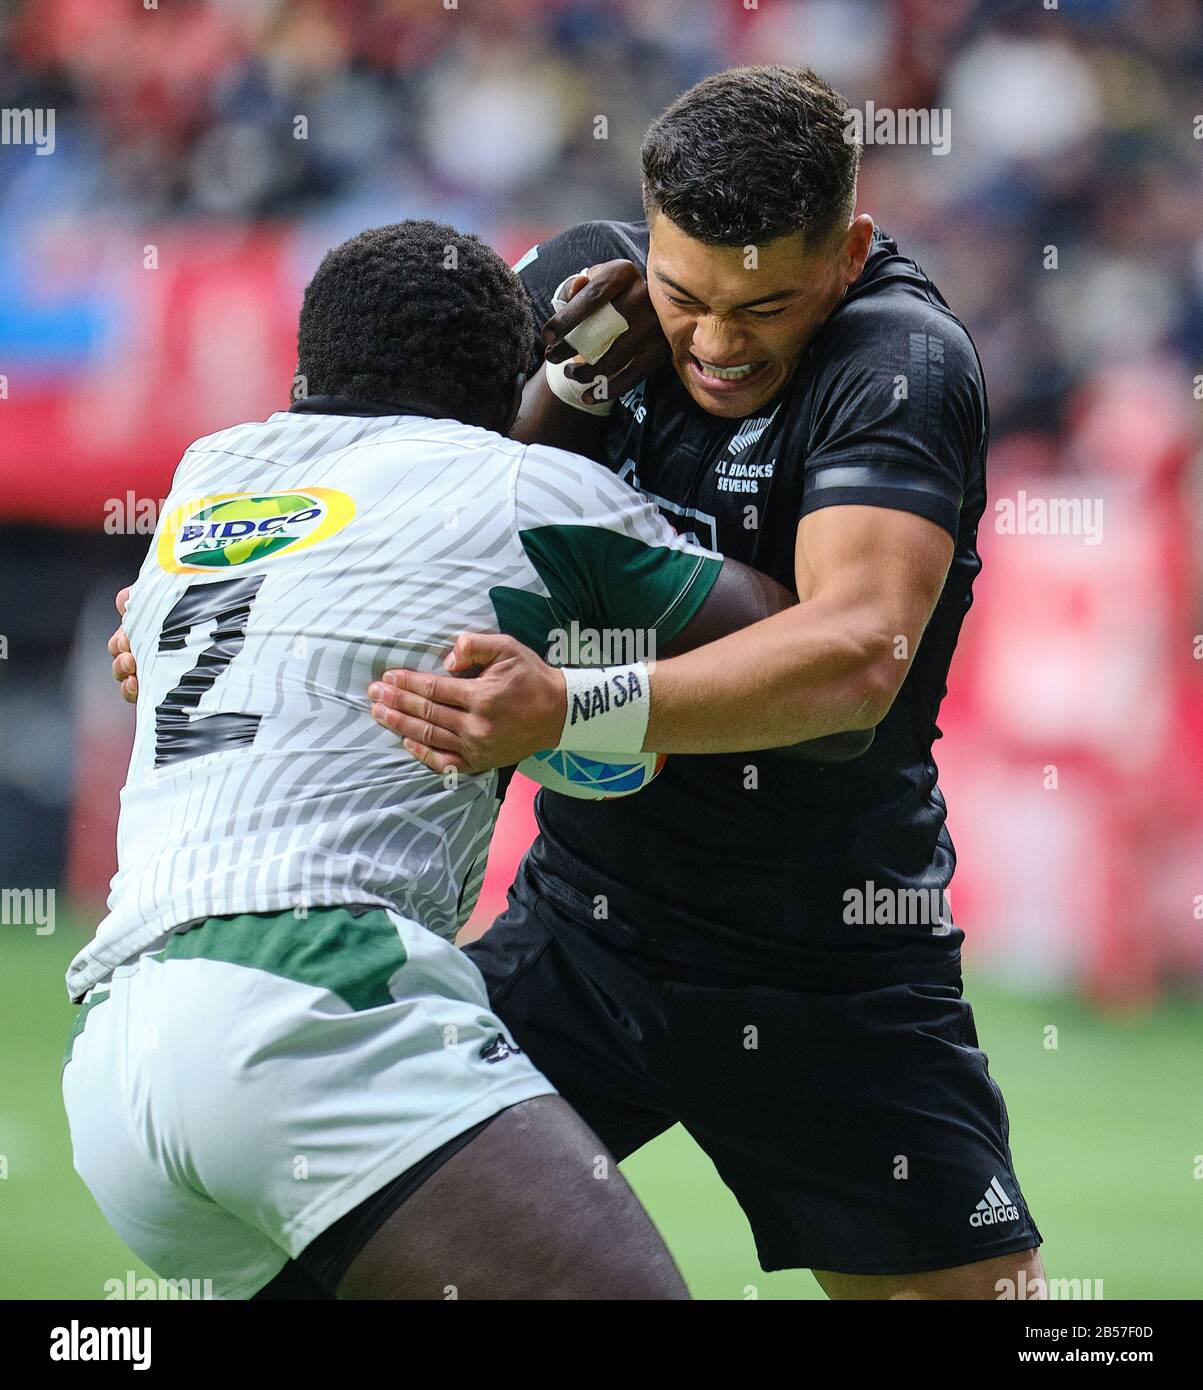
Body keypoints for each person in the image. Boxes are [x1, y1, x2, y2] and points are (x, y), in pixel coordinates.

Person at [365, 66, 1045, 1300]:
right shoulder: (585, 291)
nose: (721, 344)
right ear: (646, 230)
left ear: (850, 251)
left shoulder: (902, 360)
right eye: (687, 298)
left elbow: (853, 659)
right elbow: (391, 490)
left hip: (834, 961)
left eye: (769, 306)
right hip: (579, 932)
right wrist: (191, 600)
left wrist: (572, 707)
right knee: (340, 1259)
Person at [72, 218, 812, 1301]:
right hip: (305, 997)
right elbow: (797, 654)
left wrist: (566, 383)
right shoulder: (526, 488)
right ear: (501, 378)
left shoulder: (207, 473)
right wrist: (573, 710)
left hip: (120, 1057)